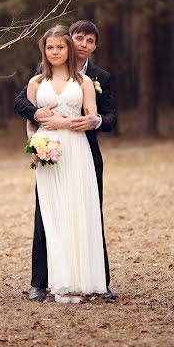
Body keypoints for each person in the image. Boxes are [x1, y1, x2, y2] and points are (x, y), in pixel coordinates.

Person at [15, 22, 117, 302]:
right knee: (46, 215)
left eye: (90, 41)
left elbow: (106, 117)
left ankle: (96, 279)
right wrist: (35, 137)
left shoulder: (96, 78)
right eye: (79, 38)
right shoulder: (39, 75)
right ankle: (40, 282)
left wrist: (88, 121)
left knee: (87, 214)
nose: (83, 44)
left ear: (94, 46)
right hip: (48, 150)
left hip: (83, 151)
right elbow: (22, 106)